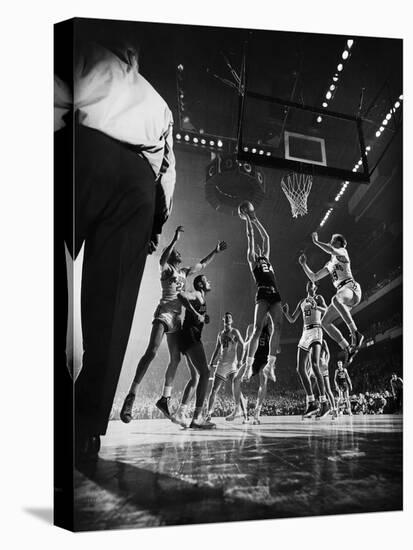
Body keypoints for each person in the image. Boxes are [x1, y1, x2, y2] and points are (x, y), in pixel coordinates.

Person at [54, 22, 177, 466]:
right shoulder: (158, 102)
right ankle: (86, 429)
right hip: (137, 185)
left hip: (80, 152)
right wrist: (155, 223)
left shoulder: (82, 51)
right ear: (136, 55)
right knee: (112, 311)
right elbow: (168, 171)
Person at [120, 228, 227, 422]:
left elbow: (202, 264)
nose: (179, 253)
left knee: (175, 359)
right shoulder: (167, 269)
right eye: (175, 253)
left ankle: (165, 398)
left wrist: (216, 251)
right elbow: (162, 260)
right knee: (152, 351)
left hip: (177, 319)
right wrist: (175, 240)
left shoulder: (184, 272)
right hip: (164, 313)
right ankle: (131, 395)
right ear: (171, 257)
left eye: (178, 251)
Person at [298, 233, 363, 365]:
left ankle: (355, 333)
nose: (330, 242)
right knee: (324, 322)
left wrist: (316, 242)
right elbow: (314, 277)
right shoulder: (330, 263)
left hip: (351, 288)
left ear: (339, 243)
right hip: (343, 295)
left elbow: (331, 249)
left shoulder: (342, 252)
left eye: (332, 240)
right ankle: (347, 348)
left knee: (335, 299)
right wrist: (303, 264)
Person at [243, 213, 283, 383]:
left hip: (275, 292)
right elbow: (251, 237)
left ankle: (271, 364)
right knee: (257, 329)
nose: (259, 248)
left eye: (260, 248)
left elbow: (266, 237)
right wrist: (247, 222)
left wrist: (255, 219)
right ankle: (248, 367)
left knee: (278, 326)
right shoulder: (253, 260)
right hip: (263, 293)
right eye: (257, 248)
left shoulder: (266, 258)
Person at [173, 275, 216, 429]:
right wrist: (197, 314)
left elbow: (197, 316)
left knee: (195, 377)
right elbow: (180, 295)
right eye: (207, 279)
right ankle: (197, 417)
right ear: (200, 284)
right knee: (205, 373)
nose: (209, 281)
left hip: (186, 337)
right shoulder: (197, 294)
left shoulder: (202, 298)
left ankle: (181, 412)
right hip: (190, 336)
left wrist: (203, 317)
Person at [282, 281, 330, 419]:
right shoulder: (302, 302)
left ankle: (324, 402)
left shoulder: (319, 298)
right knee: (300, 369)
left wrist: (316, 306)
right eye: (309, 284)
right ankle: (312, 402)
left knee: (315, 365)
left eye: (313, 284)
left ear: (315, 288)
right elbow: (292, 319)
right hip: (305, 333)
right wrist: (286, 313)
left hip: (316, 330)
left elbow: (326, 310)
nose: (311, 285)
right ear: (307, 287)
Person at [205, 313, 246, 422]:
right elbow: (217, 349)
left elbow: (244, 346)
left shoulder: (235, 332)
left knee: (236, 389)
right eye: (226, 317)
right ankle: (208, 414)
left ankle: (245, 415)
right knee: (214, 390)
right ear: (224, 320)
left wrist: (241, 360)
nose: (228, 318)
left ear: (231, 321)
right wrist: (211, 362)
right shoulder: (220, 334)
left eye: (230, 317)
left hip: (232, 364)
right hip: (221, 364)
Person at [238, 317, 274, 424]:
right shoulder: (251, 327)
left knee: (263, 381)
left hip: (264, 359)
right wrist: (241, 360)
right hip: (252, 359)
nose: (266, 318)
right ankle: (243, 411)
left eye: (268, 316)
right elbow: (245, 345)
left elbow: (276, 347)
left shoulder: (270, 328)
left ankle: (257, 412)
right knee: (236, 379)